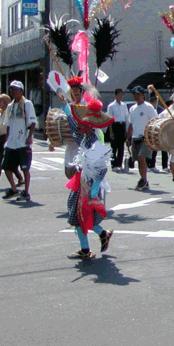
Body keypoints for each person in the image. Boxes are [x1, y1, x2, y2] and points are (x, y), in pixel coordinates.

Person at [61, 98, 115, 260]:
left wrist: (95, 186)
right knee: (79, 214)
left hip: (89, 184)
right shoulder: (84, 137)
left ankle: (86, 249)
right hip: (81, 180)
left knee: (80, 216)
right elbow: (73, 125)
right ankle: (102, 235)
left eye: (82, 123)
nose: (79, 125)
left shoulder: (95, 142)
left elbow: (103, 168)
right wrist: (65, 108)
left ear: (89, 126)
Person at [1, 81, 37, 202]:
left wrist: (30, 136)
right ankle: (14, 188)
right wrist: (6, 139)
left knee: (25, 168)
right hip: (12, 142)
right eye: (12, 90)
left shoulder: (27, 104)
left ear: (21, 91)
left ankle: (26, 192)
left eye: (16, 89)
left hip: (23, 141)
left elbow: (33, 122)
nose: (14, 92)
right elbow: (8, 125)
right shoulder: (10, 106)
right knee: (6, 168)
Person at [0, 94, 23, 190]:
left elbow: (7, 127)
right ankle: (20, 178)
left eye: (0, 102)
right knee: (9, 163)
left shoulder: (8, 112)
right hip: (1, 138)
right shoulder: (0, 113)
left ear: (6, 103)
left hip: (6, 139)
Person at [126, 86, 158, 191]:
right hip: (135, 136)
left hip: (145, 136)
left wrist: (153, 135)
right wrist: (128, 138)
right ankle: (143, 179)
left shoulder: (148, 107)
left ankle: (143, 179)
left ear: (143, 95)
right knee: (138, 160)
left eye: (138, 94)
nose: (136, 96)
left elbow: (155, 120)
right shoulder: (132, 108)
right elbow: (131, 124)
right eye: (135, 94)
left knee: (142, 157)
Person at [107, 88, 129, 171]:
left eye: (121, 95)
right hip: (115, 126)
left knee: (121, 147)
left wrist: (127, 130)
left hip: (122, 126)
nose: (121, 96)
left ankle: (119, 164)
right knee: (114, 147)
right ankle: (114, 164)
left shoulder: (124, 105)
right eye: (119, 94)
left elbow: (127, 117)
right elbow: (110, 119)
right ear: (115, 95)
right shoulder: (111, 106)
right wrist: (111, 132)